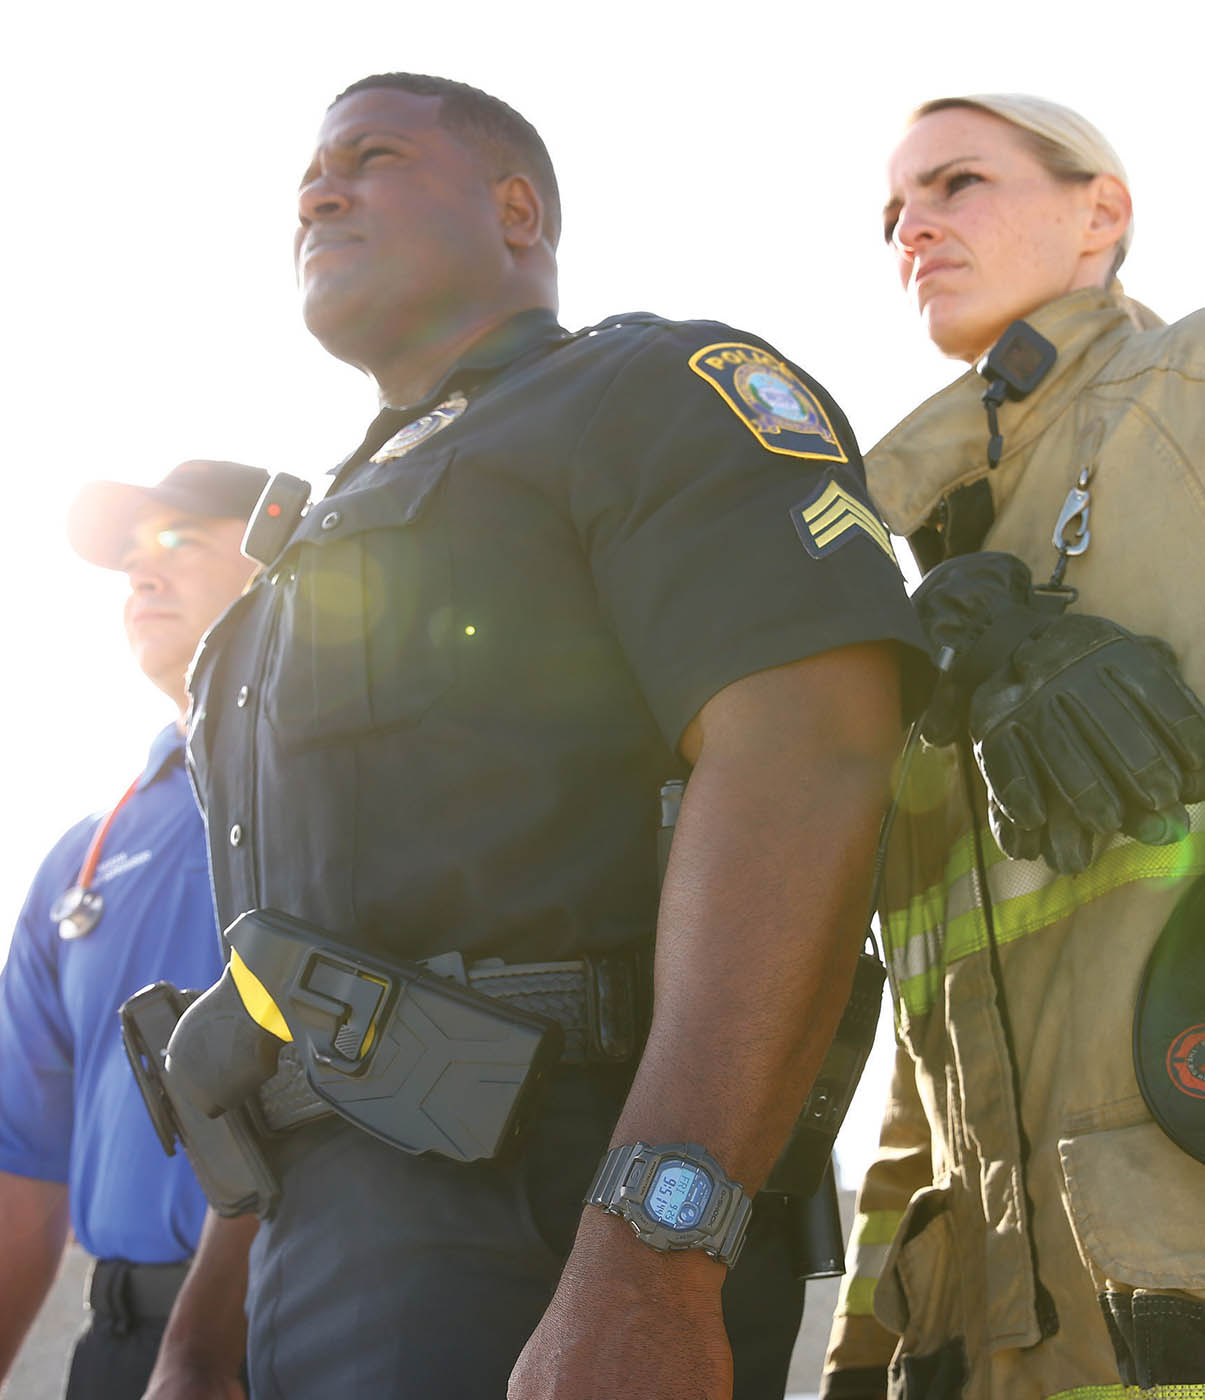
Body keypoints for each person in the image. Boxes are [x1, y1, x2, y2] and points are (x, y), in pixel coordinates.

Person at [158, 73, 929, 1400]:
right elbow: (294, 987)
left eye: (371, 157)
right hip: (320, 1258)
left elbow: (810, 760)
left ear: (517, 209)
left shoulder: (647, 395)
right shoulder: (298, 560)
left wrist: (655, 1257)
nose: (318, 191)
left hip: (553, 1236)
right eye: (305, 179)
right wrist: (203, 1336)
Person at [822, 95, 1205, 1398]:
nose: (912, 227)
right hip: (979, 1330)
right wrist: (860, 1355)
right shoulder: (907, 565)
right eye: (892, 212)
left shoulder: (1188, 394)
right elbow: (929, 1052)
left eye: (956, 183)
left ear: (1100, 212)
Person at [0, 459, 267, 1399]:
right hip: (118, 1349)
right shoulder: (79, 856)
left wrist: (201, 1350)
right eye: (129, 563)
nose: (141, 576)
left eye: (179, 542)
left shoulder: (342, 793)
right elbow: (23, 1167)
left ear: (274, 555)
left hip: (283, 1335)